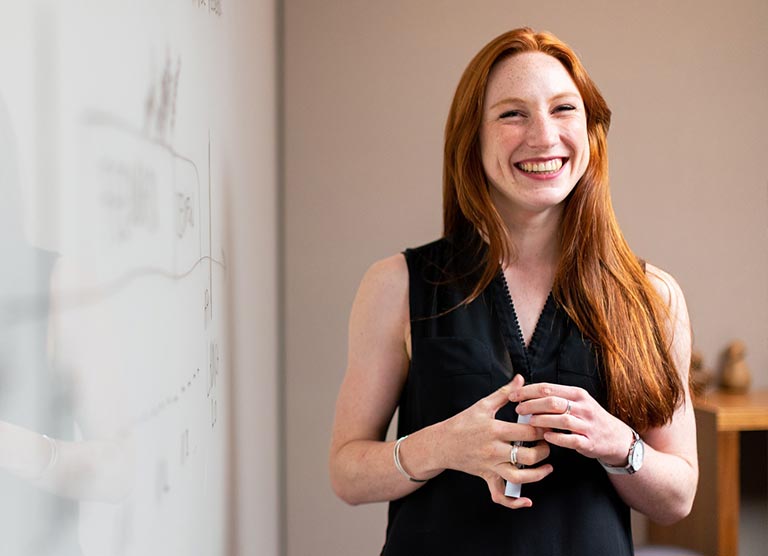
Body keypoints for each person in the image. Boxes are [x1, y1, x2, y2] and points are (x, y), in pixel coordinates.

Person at [329, 27, 697, 555]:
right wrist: (440, 446)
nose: (544, 136)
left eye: (563, 109)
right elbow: (346, 472)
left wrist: (620, 445)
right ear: (471, 139)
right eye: (512, 114)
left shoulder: (654, 297)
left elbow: (679, 496)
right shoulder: (396, 286)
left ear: (591, 130)